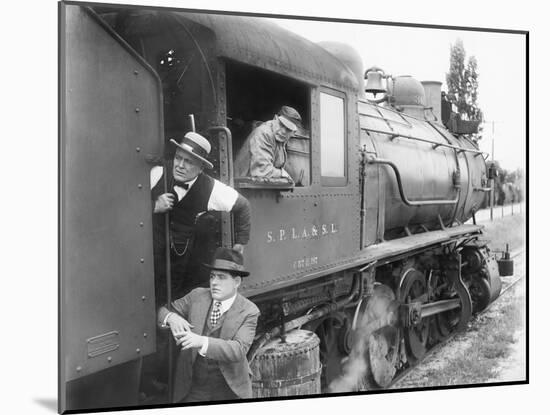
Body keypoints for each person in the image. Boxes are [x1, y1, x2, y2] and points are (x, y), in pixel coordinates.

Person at [151, 131, 251, 302]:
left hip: (179, 268)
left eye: (188, 161)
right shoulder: (157, 173)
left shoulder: (210, 188)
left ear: (201, 167)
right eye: (178, 158)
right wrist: (153, 206)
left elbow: (243, 206)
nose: (180, 165)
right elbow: (122, 206)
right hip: (150, 262)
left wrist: (240, 243)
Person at [158, 247, 260, 403]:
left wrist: (201, 341)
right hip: (193, 386)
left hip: (229, 387)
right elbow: (162, 311)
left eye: (221, 277)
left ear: (237, 282)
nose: (214, 283)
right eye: (212, 276)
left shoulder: (249, 311)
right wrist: (172, 317)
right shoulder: (197, 295)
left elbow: (238, 349)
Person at [234, 106, 302, 181]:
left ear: (293, 133)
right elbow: (262, 171)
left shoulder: (279, 138)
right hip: (243, 187)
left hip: (255, 185)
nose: (283, 131)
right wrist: (283, 174)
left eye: (288, 129)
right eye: (281, 125)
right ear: (275, 118)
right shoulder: (264, 133)